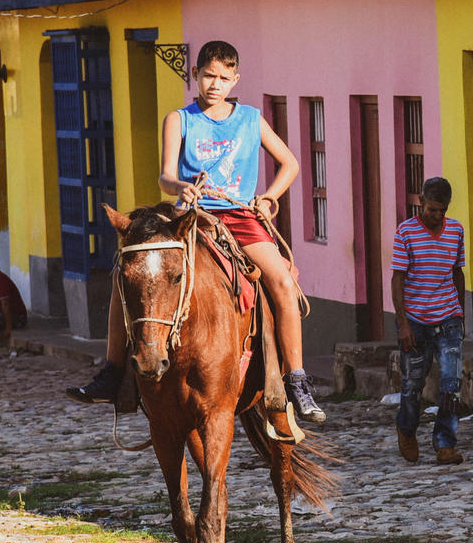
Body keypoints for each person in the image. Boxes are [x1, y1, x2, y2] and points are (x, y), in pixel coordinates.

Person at [66, 39, 325, 423]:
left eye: (223, 78)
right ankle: (112, 371)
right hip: (189, 217)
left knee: (283, 282)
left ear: (235, 79)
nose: (215, 85)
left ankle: (297, 381)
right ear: (195, 75)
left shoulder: (252, 119)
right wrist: (178, 186)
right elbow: (165, 174)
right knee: (128, 274)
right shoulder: (180, 119)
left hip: (239, 215)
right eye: (208, 76)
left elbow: (290, 163)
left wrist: (270, 197)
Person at [391, 177, 466, 465]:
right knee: (412, 385)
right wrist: (403, 324)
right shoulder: (406, 233)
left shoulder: (456, 231)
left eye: (442, 211)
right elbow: (398, 279)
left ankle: (445, 443)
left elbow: (457, 273)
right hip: (415, 320)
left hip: (448, 318)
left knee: (452, 384)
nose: (437, 216)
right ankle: (406, 429)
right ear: (421, 202)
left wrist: (460, 313)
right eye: (432, 209)